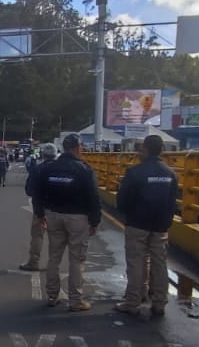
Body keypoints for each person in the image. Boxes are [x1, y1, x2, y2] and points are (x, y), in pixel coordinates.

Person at [33, 134, 101, 311]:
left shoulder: (49, 168)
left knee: (54, 257)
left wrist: (40, 214)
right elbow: (94, 197)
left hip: (53, 215)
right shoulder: (84, 169)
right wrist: (94, 221)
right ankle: (75, 300)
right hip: (77, 218)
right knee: (76, 260)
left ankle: (52, 296)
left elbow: (37, 192)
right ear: (78, 147)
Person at [115, 135, 177, 317]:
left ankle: (133, 301)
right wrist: (166, 222)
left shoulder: (135, 172)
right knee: (159, 263)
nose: (138, 152)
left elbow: (122, 200)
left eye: (141, 149)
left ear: (147, 150)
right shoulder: (170, 173)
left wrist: (129, 215)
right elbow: (173, 202)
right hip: (160, 226)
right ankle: (159, 302)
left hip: (138, 223)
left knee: (135, 262)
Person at [19, 142, 57, 271]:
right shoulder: (62, 168)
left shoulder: (38, 169)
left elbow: (29, 190)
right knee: (56, 239)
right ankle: (54, 264)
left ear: (43, 155)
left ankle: (33, 262)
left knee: (37, 236)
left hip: (40, 209)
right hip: (59, 210)